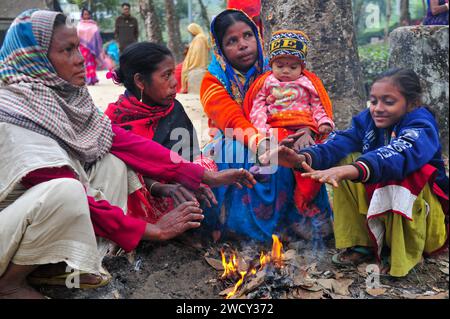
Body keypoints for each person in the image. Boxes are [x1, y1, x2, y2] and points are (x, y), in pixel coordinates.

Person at [0, 9, 256, 299]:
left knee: (112, 161)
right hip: (8, 231)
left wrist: (205, 176)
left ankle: (65, 265)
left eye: (78, 48)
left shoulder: (63, 100)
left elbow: (125, 143)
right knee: (66, 190)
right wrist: (152, 230)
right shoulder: (14, 114)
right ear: (35, 59)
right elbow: (80, 199)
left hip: (32, 223)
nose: (80, 58)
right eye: (67, 50)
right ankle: (10, 283)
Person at [261, 68, 448, 277]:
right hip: (383, 205)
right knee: (345, 156)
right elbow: (340, 141)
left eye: (388, 101)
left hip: (427, 224)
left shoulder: (421, 124)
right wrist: (302, 158)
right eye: (374, 101)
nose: (378, 108)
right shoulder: (367, 120)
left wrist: (352, 170)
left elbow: (400, 155)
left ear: (412, 103)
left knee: (403, 172)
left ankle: (401, 252)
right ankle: (361, 242)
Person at [200, 9, 333, 242]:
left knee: (304, 149)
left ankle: (301, 218)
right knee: (244, 153)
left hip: (283, 132)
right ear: (219, 48)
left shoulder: (279, 65)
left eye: (248, 36)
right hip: (233, 137)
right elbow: (232, 120)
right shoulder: (213, 80)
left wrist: (309, 128)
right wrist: (263, 141)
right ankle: (247, 228)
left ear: (258, 37)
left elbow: (311, 102)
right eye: (232, 41)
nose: (243, 45)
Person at [105, 42, 204, 223]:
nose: (175, 82)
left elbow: (190, 155)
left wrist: (187, 179)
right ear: (140, 81)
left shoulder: (173, 109)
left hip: (179, 183)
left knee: (209, 168)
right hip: (142, 197)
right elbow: (128, 174)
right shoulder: (115, 119)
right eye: (166, 76)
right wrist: (160, 187)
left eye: (173, 73)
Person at [249, 29, 334, 214]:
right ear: (271, 64)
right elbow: (258, 107)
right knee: (275, 151)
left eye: (292, 67)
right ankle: (264, 172)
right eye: (280, 65)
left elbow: (318, 105)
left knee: (310, 157)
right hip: (277, 126)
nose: (286, 71)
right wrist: (262, 131)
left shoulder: (308, 83)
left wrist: (322, 123)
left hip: (305, 128)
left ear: (301, 67)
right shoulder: (266, 83)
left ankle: (304, 199)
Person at [180, 23, 209, 94]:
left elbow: (196, 53)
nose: (191, 33)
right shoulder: (200, 37)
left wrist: (191, 63)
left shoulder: (199, 38)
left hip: (197, 65)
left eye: (191, 31)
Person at [77, 8, 103, 85]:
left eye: (88, 14)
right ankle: (87, 79)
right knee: (84, 63)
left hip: (91, 47)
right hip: (82, 47)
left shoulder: (93, 24)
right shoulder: (79, 24)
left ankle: (92, 78)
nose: (86, 16)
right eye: (85, 14)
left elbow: (96, 34)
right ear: (82, 15)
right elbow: (78, 34)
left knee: (91, 62)